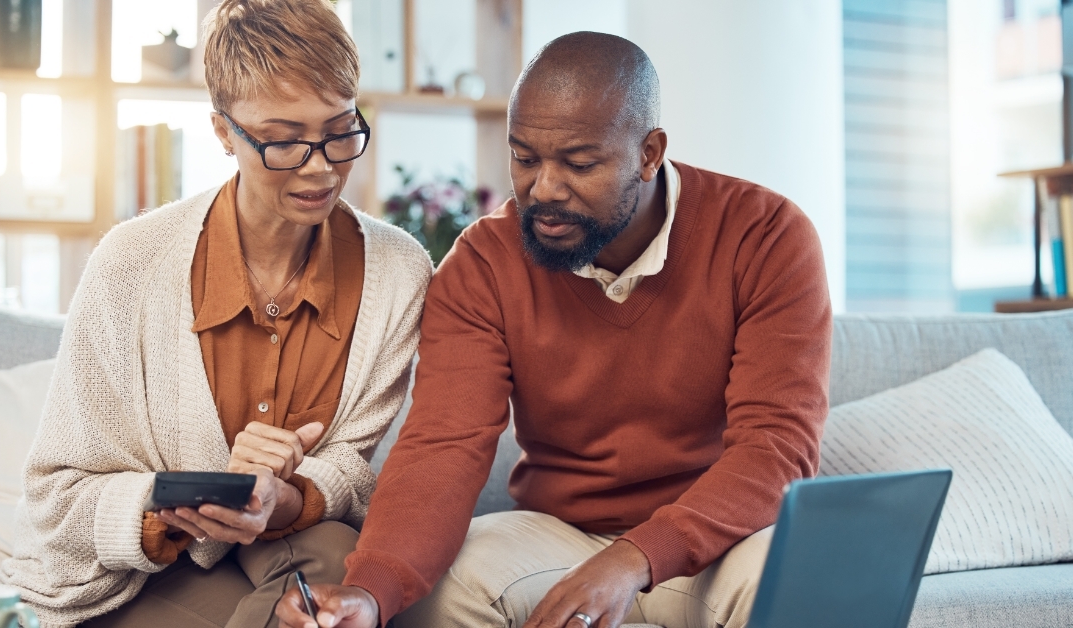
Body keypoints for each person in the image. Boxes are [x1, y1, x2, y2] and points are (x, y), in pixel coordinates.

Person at [275, 32, 832, 628]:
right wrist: (371, 589)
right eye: (524, 158)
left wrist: (634, 557)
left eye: (579, 163)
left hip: (721, 538)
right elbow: (444, 445)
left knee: (801, 579)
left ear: (648, 154)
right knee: (435, 597)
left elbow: (776, 447)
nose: (543, 189)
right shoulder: (483, 263)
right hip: (559, 534)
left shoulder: (766, 235)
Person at [0, 1, 432, 626]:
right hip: (143, 575)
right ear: (224, 132)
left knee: (339, 567)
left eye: (340, 132)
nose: (321, 167)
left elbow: (358, 474)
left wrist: (281, 498)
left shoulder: (397, 271)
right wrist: (171, 506)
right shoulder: (131, 263)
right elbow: (56, 496)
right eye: (283, 141)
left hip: (296, 543)